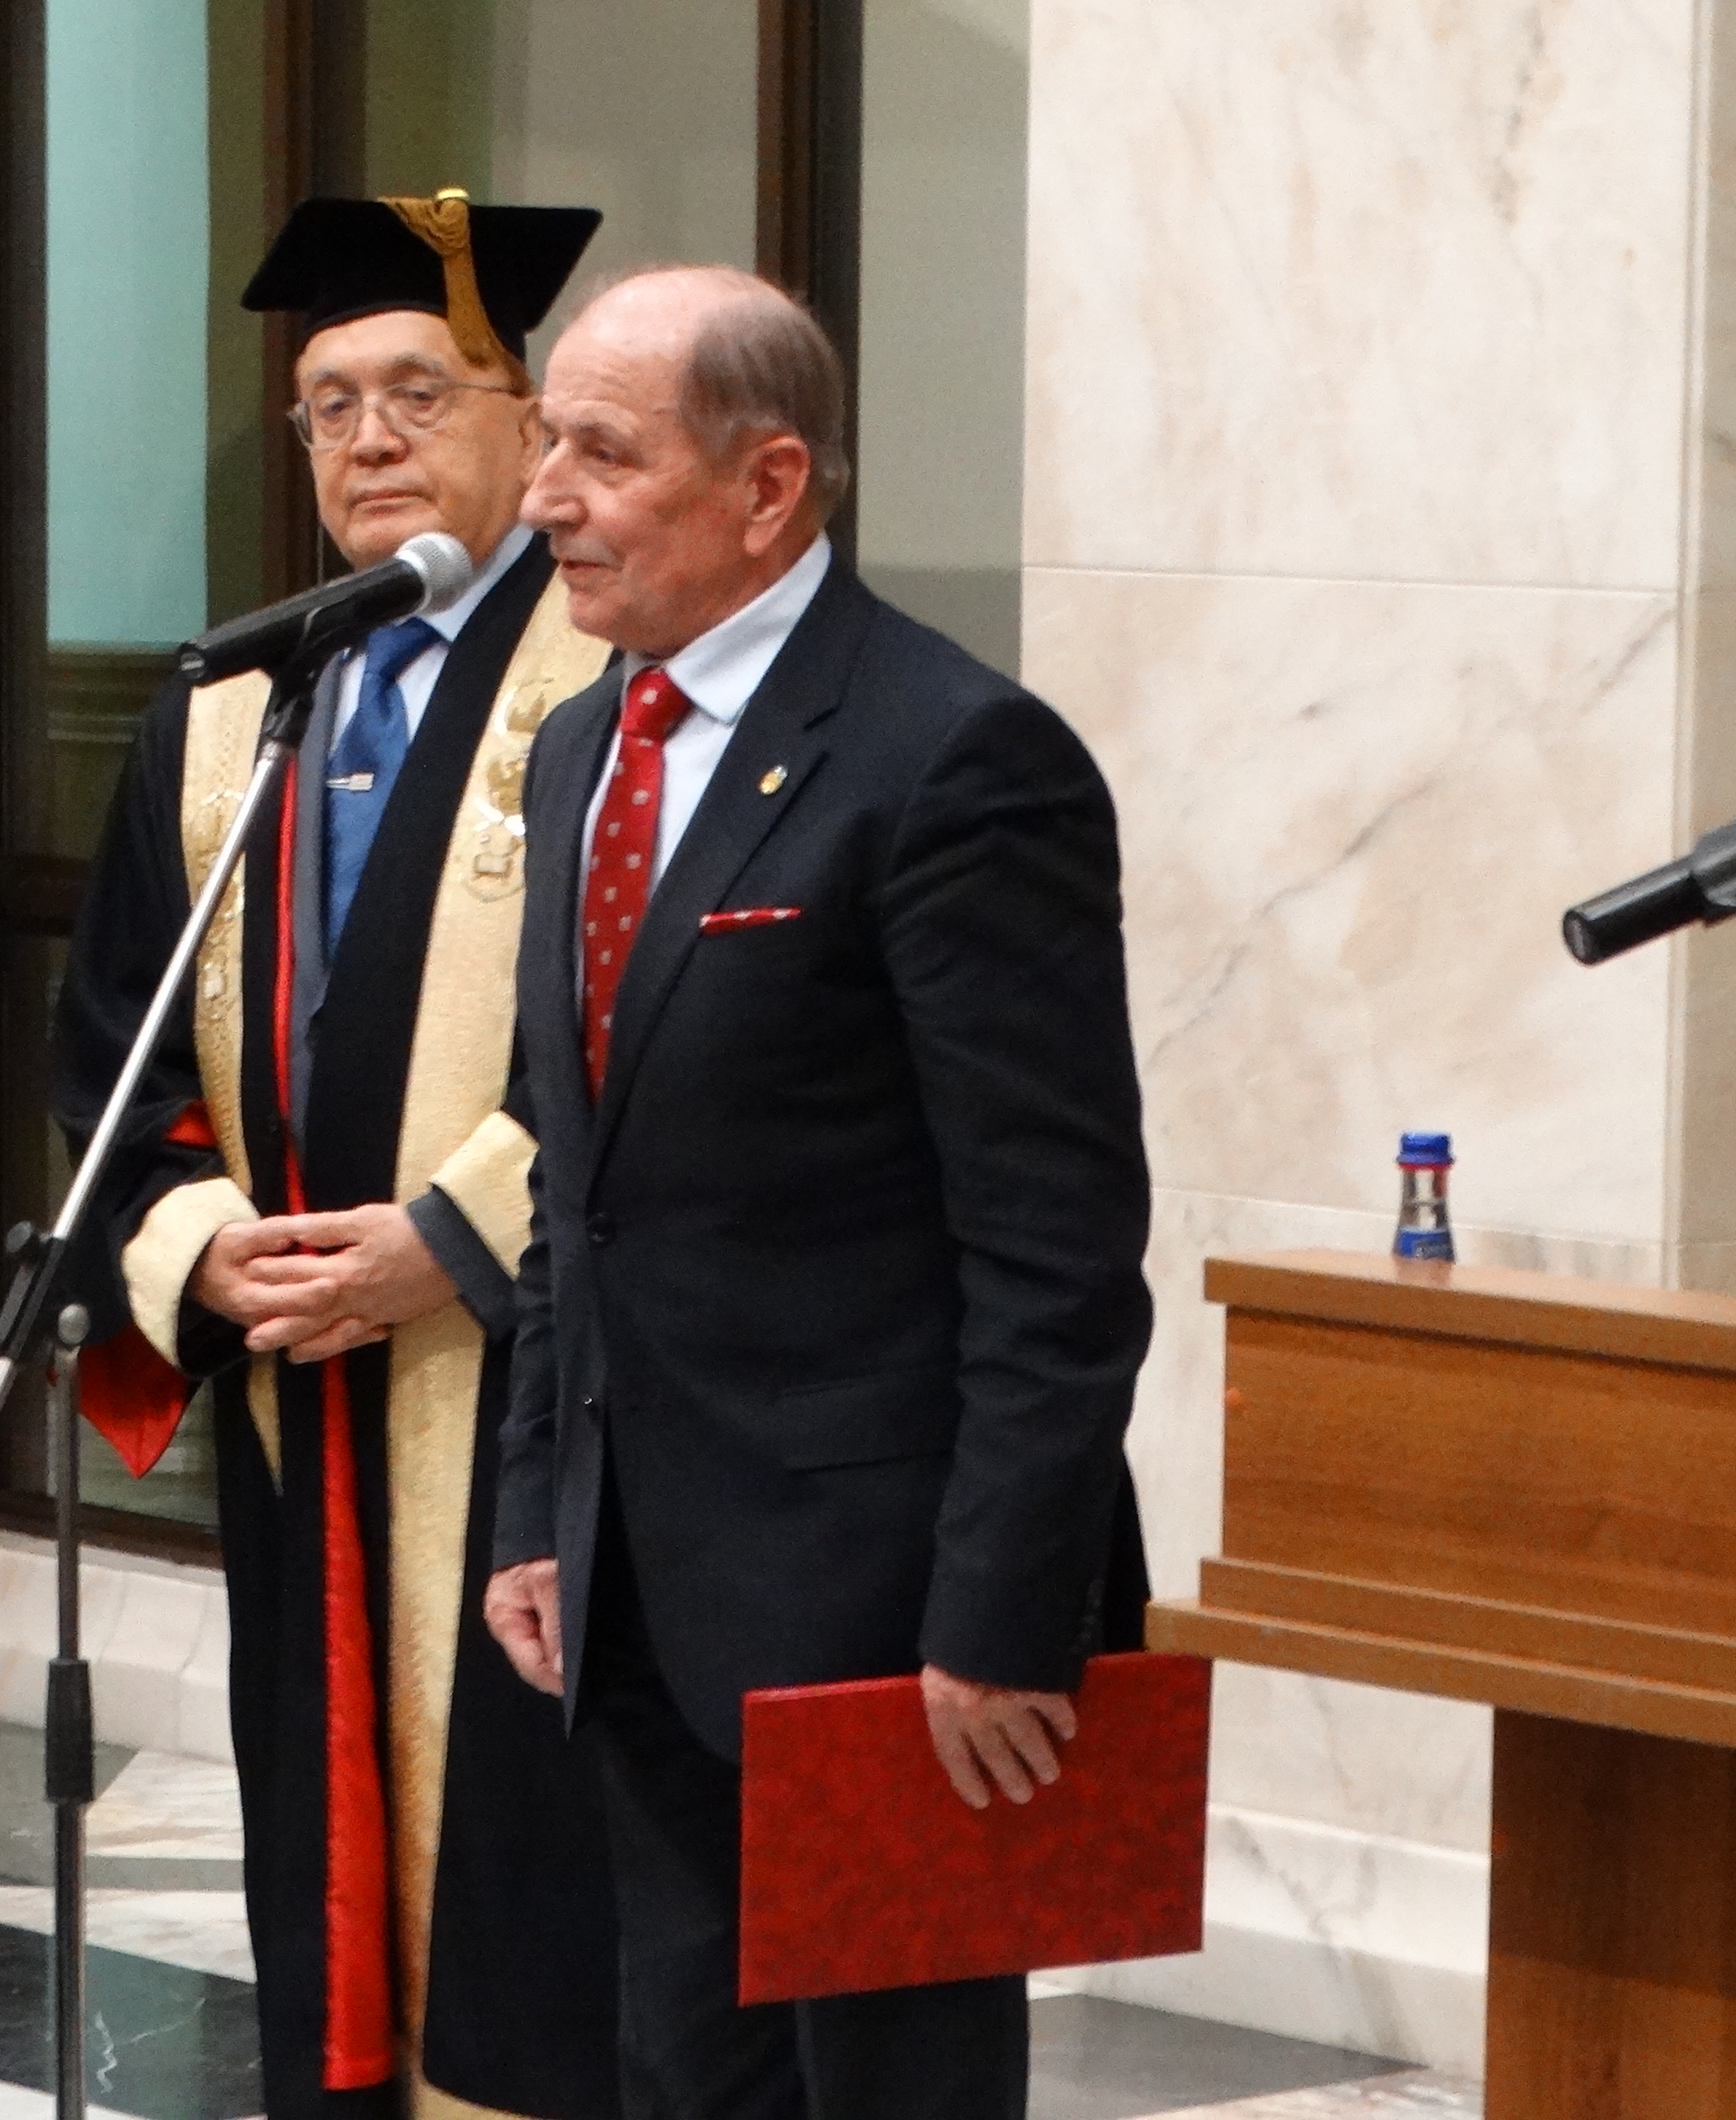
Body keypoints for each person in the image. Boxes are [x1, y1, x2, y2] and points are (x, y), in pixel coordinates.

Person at [478, 267, 1155, 2120]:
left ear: (768, 485)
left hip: (884, 1628)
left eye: (600, 453)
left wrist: (1000, 1613)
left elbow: (1058, 1248)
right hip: (637, 1591)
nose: (543, 496)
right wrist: (538, 1503)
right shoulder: (582, 743)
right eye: (543, 443)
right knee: (687, 2082)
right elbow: (572, 1188)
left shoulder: (955, 757)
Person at [55, 190, 622, 2120]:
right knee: (321, 1832)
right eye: (327, 407)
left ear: (527, 417)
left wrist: (451, 1237)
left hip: (537, 1376)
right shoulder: (241, 700)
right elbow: (117, 1044)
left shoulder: (612, 671)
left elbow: (655, 1037)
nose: (369, 438)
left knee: (540, 1857)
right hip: (301, 1369)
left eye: (417, 391)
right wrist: (200, 1246)